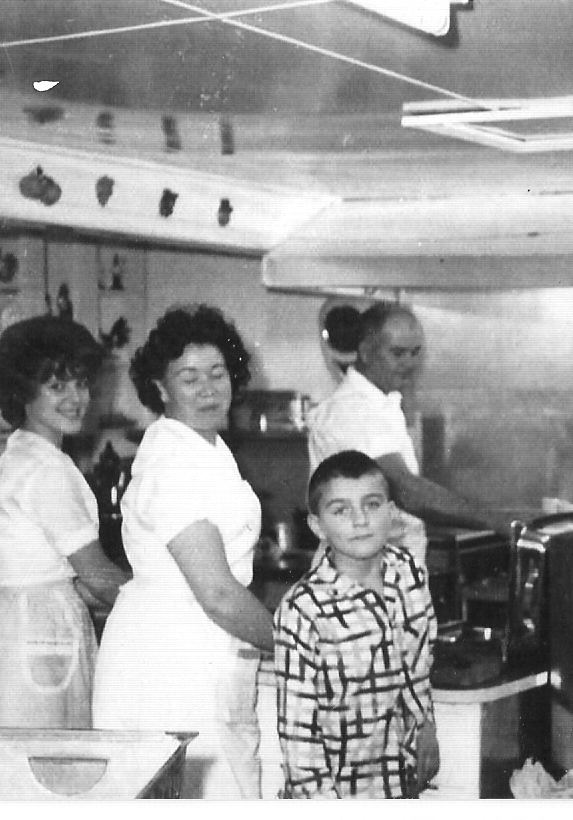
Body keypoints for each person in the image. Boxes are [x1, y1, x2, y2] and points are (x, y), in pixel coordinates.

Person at [92, 305, 273, 799]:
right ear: (161, 388)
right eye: (188, 378)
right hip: (170, 660)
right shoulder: (172, 457)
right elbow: (215, 591)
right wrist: (298, 646)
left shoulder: (205, 448)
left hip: (197, 648)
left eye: (218, 373)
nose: (209, 388)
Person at [0, 316, 129, 729]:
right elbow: (98, 576)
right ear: (23, 394)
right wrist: (162, 609)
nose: (76, 398)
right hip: (36, 637)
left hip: (20, 629)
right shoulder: (45, 470)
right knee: (46, 772)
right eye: (57, 386)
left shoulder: (22, 457)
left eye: (81, 383)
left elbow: (71, 579)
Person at [274, 450, 440, 798]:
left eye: (372, 504)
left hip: (398, 782)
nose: (360, 520)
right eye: (341, 510)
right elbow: (299, 744)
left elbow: (420, 657)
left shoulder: (407, 571)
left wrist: (426, 726)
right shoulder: (303, 610)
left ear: (393, 512)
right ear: (318, 526)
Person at [307, 303, 503, 562]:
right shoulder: (354, 408)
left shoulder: (383, 404)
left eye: (415, 352)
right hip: (361, 573)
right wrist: (498, 520)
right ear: (365, 352)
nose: (409, 363)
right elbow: (405, 490)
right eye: (398, 353)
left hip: (388, 569)